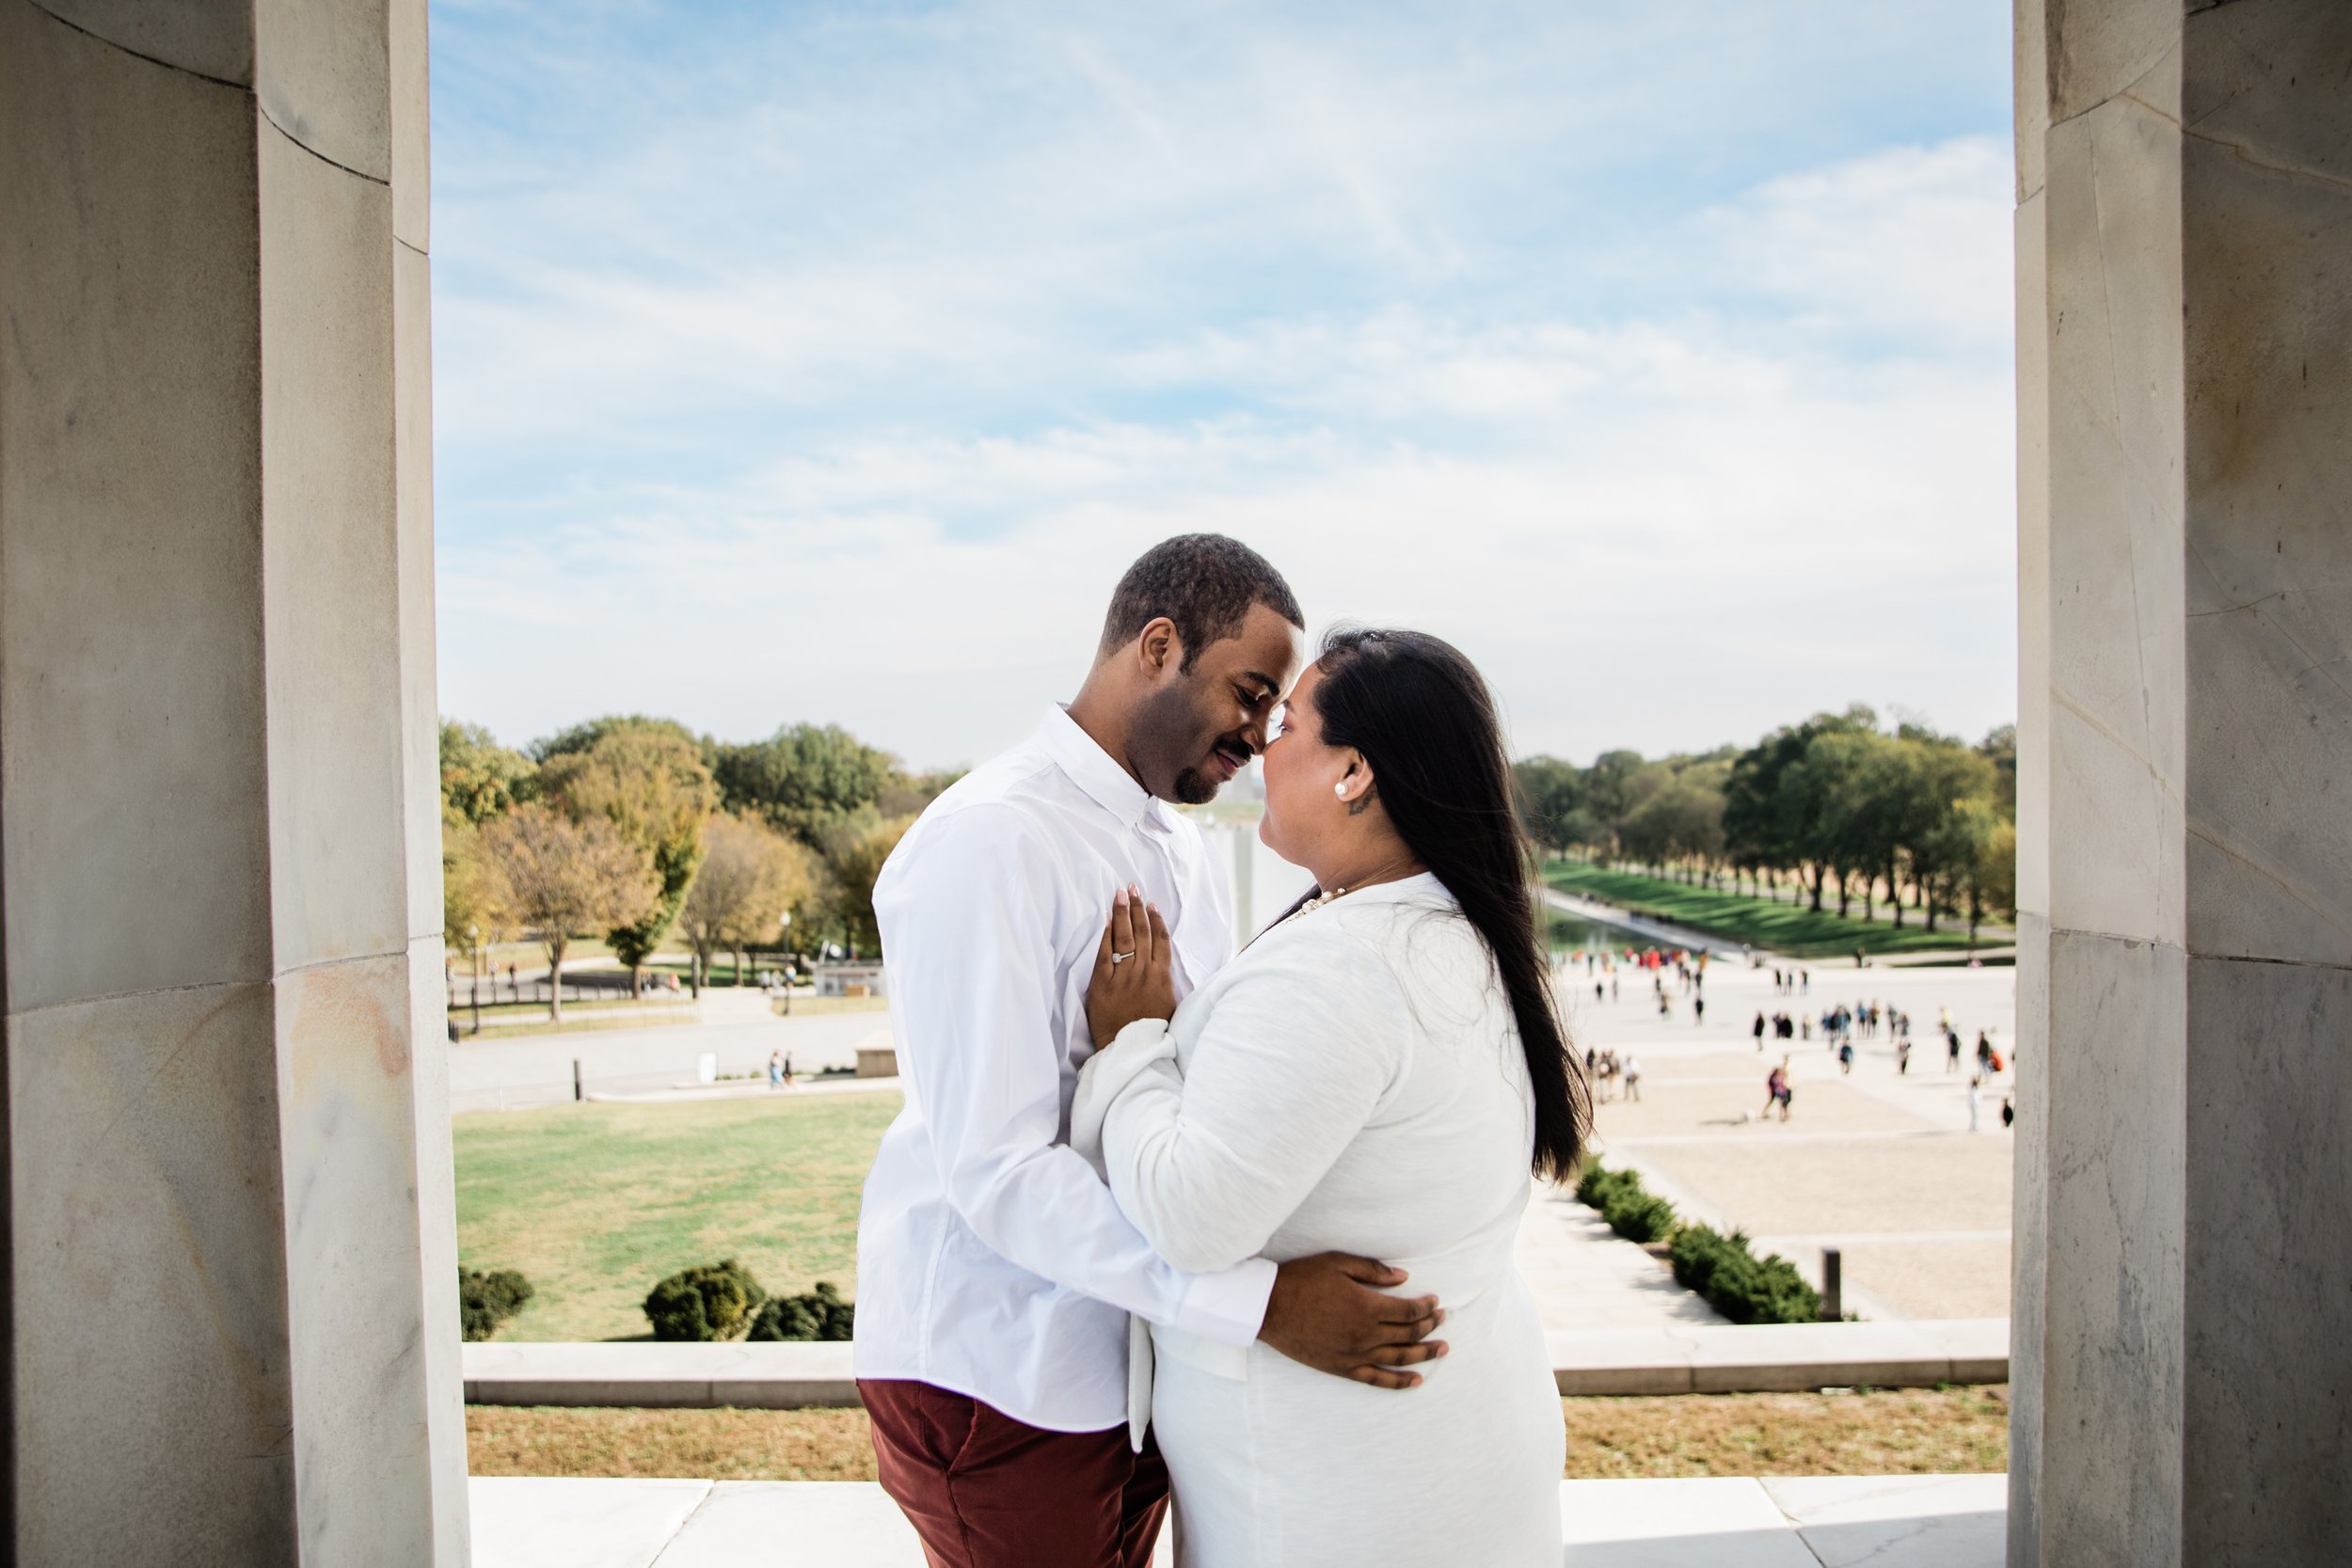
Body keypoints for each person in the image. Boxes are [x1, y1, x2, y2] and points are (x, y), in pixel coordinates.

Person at [853, 538, 1446, 1568]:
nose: (1262, 737)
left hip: (1128, 1366)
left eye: (1276, 711)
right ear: (1158, 645)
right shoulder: (990, 839)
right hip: (1001, 1372)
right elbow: (996, 1170)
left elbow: (1199, 1093)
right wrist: (1257, 1307)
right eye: (1249, 693)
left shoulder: (1174, 843)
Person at [1075, 626, 1581, 1566]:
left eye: (1290, 720)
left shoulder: (1340, 970)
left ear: (1354, 771)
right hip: (1440, 1444)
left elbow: (1189, 1215)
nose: (1261, 741)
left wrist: (1131, 1046)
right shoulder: (1448, 933)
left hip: (1339, 1489)